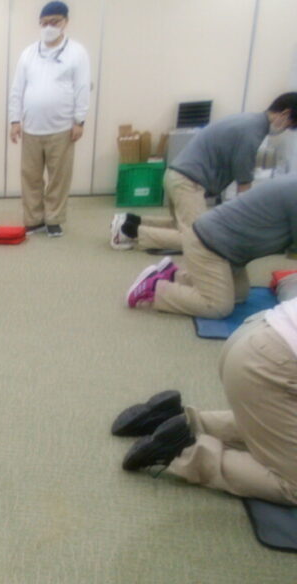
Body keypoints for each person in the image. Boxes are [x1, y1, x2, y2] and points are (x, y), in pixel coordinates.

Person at [113, 296, 297, 508]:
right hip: (269, 362)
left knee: (275, 423)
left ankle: (181, 422)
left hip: (257, 330)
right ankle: (184, 450)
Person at [111, 93, 297, 252]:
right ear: (285, 113)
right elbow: (244, 181)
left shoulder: (248, 120)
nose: (286, 130)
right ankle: (128, 232)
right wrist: (246, 220)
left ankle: (130, 220)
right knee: (200, 240)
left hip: (177, 176)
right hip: (188, 182)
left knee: (181, 226)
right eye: (290, 125)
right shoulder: (253, 131)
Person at [125, 174, 297, 317]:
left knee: (239, 295)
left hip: (230, 249)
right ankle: (154, 288)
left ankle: (174, 276)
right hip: (211, 243)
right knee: (217, 307)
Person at [8, 1, 90, 237]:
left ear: (65, 23)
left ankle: (54, 218)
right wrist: (15, 120)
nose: (49, 27)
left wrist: (79, 121)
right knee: (30, 177)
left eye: (54, 22)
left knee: (58, 177)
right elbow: (17, 89)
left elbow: (82, 87)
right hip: (32, 127)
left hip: (62, 127)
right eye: (44, 23)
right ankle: (34, 219)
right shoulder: (28, 53)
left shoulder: (77, 52)